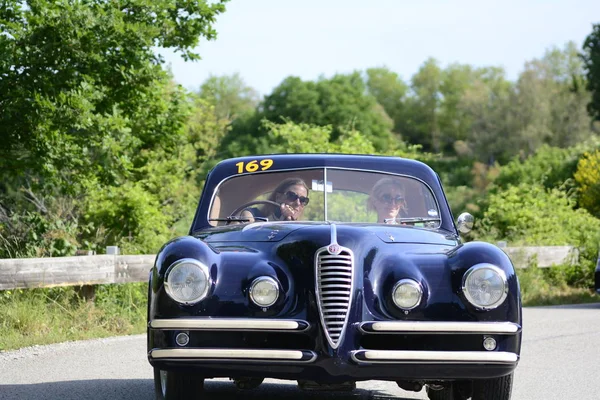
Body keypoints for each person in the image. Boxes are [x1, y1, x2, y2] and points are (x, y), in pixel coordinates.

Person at [241, 177, 310, 222]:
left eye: (303, 200)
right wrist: (279, 217)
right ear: (278, 197)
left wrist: (290, 222)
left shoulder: (303, 228)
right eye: (292, 196)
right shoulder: (252, 214)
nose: (298, 203)